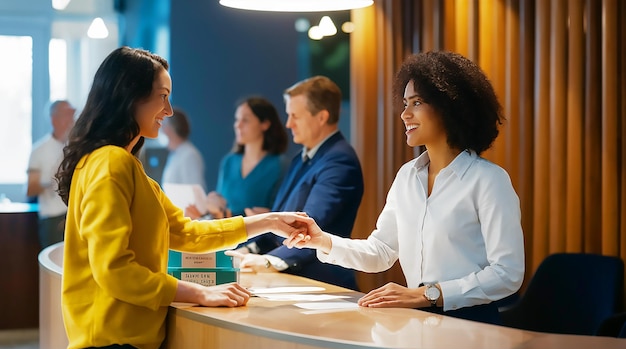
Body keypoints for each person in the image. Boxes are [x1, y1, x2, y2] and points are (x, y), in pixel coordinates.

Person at [54, 46, 310, 349]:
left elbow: (188, 232)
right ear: (131, 95)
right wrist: (199, 293)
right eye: (163, 96)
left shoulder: (123, 165)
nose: (169, 110)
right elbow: (114, 271)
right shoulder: (111, 163)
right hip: (113, 343)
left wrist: (268, 221)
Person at [282, 51, 525, 325]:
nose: (404, 114)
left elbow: (507, 274)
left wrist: (428, 295)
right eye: (405, 103)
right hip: (421, 322)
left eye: (417, 103)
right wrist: (322, 240)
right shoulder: (407, 177)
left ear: (450, 106)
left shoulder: (489, 180)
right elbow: (381, 251)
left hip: (473, 323)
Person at [229, 76, 364, 291]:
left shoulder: (339, 161)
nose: (288, 124)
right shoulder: (301, 158)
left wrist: (267, 261)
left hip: (321, 285)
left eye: (295, 116)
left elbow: (309, 227)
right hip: (292, 281)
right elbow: (279, 223)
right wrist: (247, 252)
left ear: (321, 117)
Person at [185, 96, 289, 220]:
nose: (238, 125)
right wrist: (212, 208)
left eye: (245, 120)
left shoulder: (279, 166)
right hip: (227, 234)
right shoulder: (229, 161)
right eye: (237, 119)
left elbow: (281, 213)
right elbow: (221, 210)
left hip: (258, 237)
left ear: (265, 124)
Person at [26, 99, 75, 248]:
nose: (72, 120)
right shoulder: (39, 151)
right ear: (54, 119)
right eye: (67, 114)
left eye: (73, 115)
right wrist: (51, 178)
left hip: (74, 215)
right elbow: (31, 188)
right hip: (53, 219)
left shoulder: (76, 148)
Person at [160, 107, 206, 190]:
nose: (161, 130)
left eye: (163, 126)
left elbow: (194, 192)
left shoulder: (189, 155)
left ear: (169, 129)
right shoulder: (174, 155)